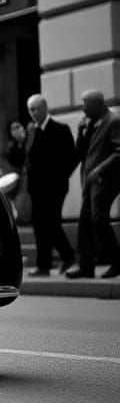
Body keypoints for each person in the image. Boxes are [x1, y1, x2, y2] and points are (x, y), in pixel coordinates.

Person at [66, 90, 120, 279]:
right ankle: (85, 267)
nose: (82, 107)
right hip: (90, 181)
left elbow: (118, 152)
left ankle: (116, 261)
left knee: (98, 220)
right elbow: (80, 153)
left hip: (106, 180)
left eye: (85, 104)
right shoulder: (90, 124)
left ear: (98, 104)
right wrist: (82, 132)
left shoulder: (113, 121)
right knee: (85, 224)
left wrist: (100, 169)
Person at [23, 95, 76, 277]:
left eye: (36, 109)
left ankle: (68, 256)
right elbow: (27, 158)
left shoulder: (60, 129)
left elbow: (71, 158)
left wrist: (59, 179)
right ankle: (44, 265)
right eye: (31, 110)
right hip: (36, 188)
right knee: (39, 226)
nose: (34, 113)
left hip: (55, 188)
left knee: (51, 224)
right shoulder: (30, 130)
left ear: (45, 108)